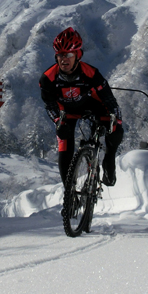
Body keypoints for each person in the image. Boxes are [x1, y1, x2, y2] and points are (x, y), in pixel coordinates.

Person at [39, 27, 124, 187]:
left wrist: (115, 120)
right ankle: (69, 194)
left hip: (93, 106)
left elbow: (110, 101)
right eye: (60, 55)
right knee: (64, 143)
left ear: (78, 55)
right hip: (67, 112)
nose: (64, 59)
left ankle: (108, 161)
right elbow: (49, 105)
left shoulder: (91, 74)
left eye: (69, 54)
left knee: (116, 131)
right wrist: (58, 120)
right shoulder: (48, 78)